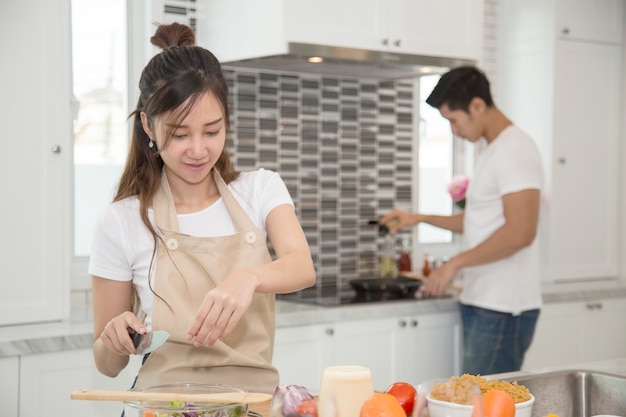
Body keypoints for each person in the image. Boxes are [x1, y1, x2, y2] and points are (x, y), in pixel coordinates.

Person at [89, 22, 316, 394]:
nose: (198, 150)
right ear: (148, 125)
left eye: (212, 131)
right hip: (163, 404)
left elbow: (302, 266)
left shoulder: (260, 189)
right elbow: (106, 365)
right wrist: (114, 340)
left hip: (250, 403)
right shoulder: (122, 220)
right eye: (179, 134)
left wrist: (250, 278)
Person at [380, 66, 543, 375]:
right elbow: (480, 220)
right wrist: (420, 218)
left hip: (504, 307)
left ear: (477, 106)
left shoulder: (515, 150)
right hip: (485, 302)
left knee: (483, 405)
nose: (453, 130)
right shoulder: (493, 150)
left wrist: (454, 264)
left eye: (454, 120)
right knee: (472, 402)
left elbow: (521, 231)